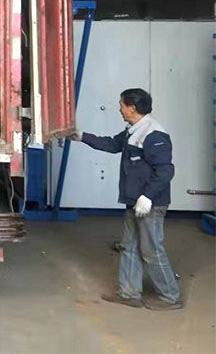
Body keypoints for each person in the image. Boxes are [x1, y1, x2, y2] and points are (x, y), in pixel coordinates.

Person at [72, 88, 183, 310]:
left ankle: (170, 297)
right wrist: (82, 136)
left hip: (150, 204)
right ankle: (130, 293)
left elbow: (165, 171)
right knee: (129, 247)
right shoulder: (133, 130)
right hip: (134, 201)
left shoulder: (153, 134)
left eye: (121, 105)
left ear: (132, 108)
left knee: (151, 251)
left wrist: (147, 197)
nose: (119, 109)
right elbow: (112, 144)